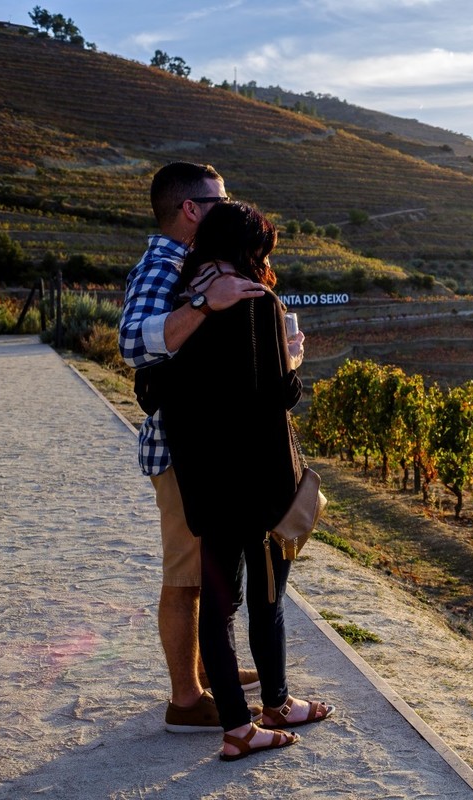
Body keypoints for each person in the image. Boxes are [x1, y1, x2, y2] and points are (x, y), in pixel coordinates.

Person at [162, 200, 333, 761]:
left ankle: (239, 725)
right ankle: (271, 708)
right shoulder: (257, 302)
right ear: (251, 248)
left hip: (206, 482)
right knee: (267, 600)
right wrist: (292, 361)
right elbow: (269, 403)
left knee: (218, 605)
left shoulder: (187, 300)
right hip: (255, 485)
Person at [119, 162, 285, 732]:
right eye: (219, 200)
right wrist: (204, 305)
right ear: (191, 208)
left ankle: (209, 671)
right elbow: (133, 343)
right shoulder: (164, 267)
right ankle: (186, 700)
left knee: (206, 577)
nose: (228, 205)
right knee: (187, 579)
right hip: (181, 450)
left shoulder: (194, 266)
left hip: (202, 447)